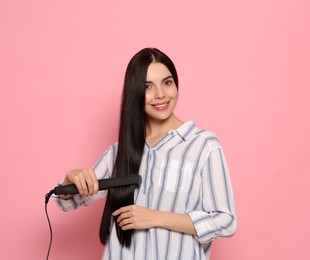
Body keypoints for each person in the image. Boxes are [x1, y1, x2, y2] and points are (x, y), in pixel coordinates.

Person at [52, 47, 237, 260]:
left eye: (167, 82)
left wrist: (155, 217)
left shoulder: (203, 145)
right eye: (147, 86)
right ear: (135, 93)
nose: (160, 94)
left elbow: (226, 220)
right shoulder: (119, 152)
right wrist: (70, 181)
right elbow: (69, 202)